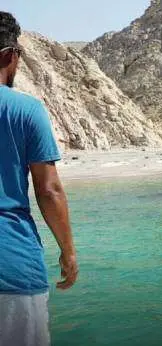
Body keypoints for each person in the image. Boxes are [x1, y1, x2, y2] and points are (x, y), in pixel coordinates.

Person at [0, 12, 78, 346]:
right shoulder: (25, 111)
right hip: (12, 266)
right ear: (9, 55)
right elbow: (49, 190)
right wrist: (68, 251)